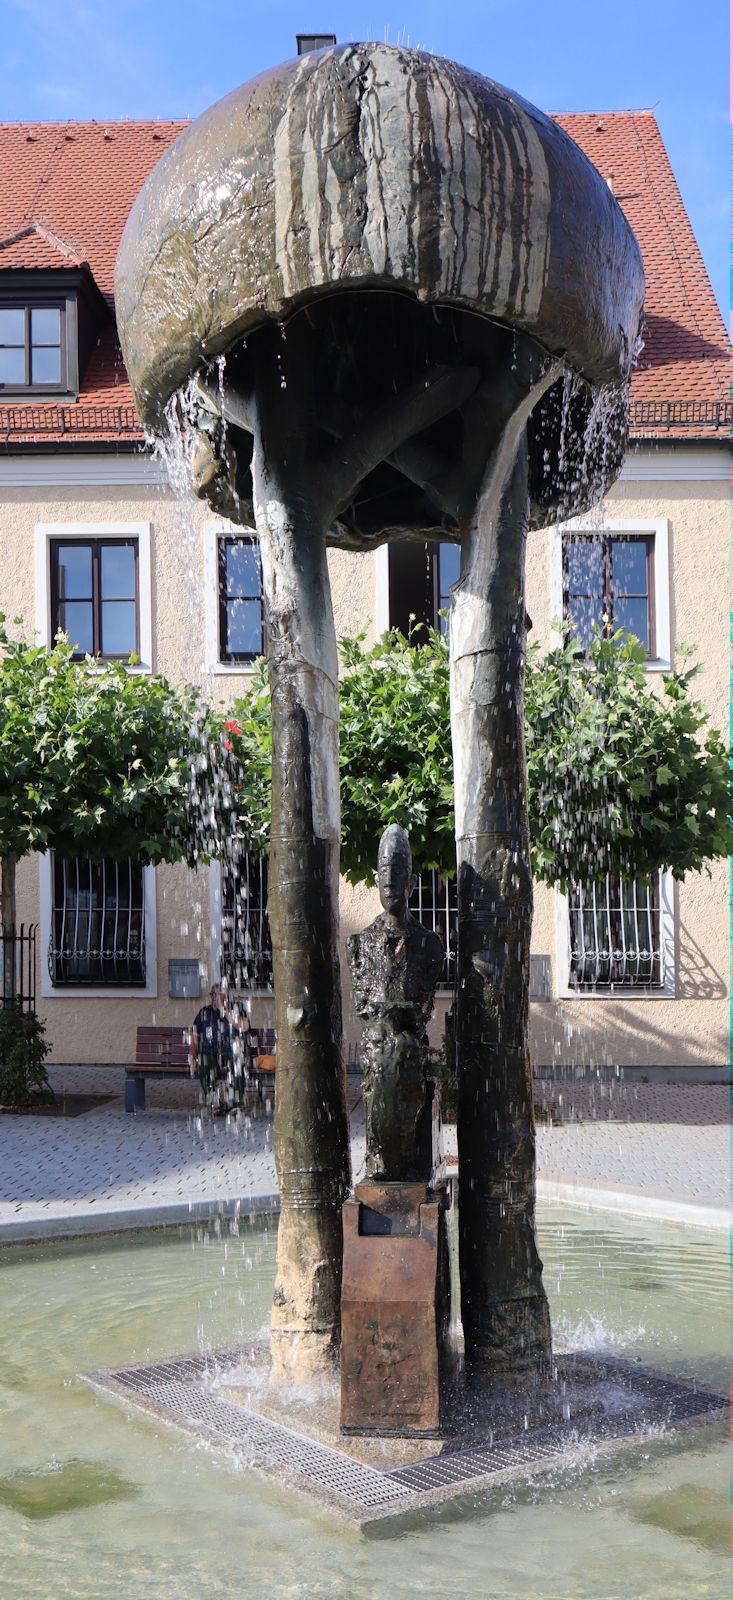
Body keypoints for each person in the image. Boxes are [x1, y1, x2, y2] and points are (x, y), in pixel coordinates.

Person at [189, 983, 251, 1113]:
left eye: (218, 995)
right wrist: (192, 1057)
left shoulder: (237, 1008)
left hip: (232, 1052)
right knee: (203, 1060)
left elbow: (244, 1027)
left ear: (226, 996)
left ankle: (233, 1104)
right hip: (210, 1053)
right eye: (213, 995)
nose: (214, 998)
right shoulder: (205, 1012)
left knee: (238, 1060)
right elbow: (194, 1036)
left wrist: (225, 1009)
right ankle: (214, 1104)